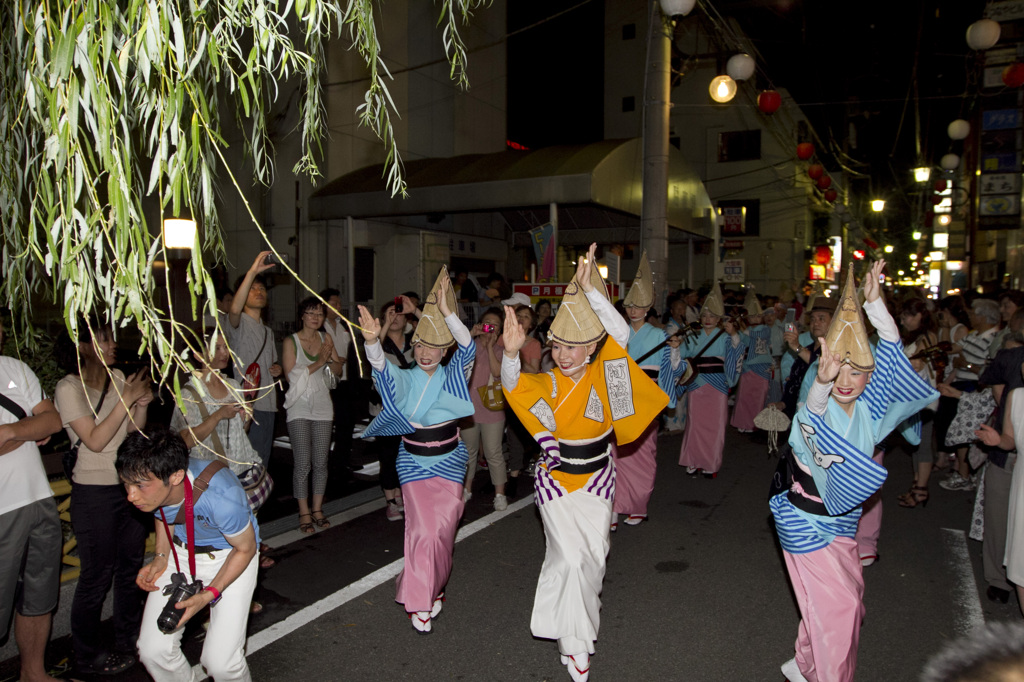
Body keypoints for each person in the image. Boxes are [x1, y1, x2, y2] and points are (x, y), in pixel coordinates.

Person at [501, 243, 668, 682]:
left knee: (591, 560)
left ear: (593, 346)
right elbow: (512, 385)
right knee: (571, 559)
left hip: (598, 479)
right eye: (558, 345)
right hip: (554, 480)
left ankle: (568, 628)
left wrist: (591, 287)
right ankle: (578, 646)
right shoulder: (547, 381)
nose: (565, 354)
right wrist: (509, 353)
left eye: (575, 346)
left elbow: (621, 333)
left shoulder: (606, 369)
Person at [770, 262, 938, 682]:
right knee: (840, 609)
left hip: (843, 524)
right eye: (839, 370)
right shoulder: (818, 402)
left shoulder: (873, 409)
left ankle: (804, 663)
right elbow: (812, 415)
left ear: (871, 373)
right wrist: (822, 382)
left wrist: (875, 303)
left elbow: (894, 347)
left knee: (846, 603)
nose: (847, 379)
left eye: (858, 371)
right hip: (804, 520)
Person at [357, 268, 474, 634]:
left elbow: (469, 345)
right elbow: (380, 369)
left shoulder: (455, 374)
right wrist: (372, 343)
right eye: (420, 345)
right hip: (413, 461)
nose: (425, 353)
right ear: (414, 346)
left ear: (444, 351)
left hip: (452, 459)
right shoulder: (404, 375)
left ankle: (432, 586)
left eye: (434, 347)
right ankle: (421, 599)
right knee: (423, 531)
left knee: (443, 533)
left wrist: (447, 312)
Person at [120, 427, 259, 682]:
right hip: (181, 554)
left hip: (231, 556)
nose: (131, 496)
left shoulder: (222, 496)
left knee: (221, 663)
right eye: (126, 484)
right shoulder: (155, 490)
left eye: (139, 485)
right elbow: (164, 512)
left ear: (176, 477)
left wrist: (209, 595)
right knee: (153, 651)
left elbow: (246, 548)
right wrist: (161, 557)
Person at [54, 319, 153, 676]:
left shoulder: (116, 379)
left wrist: (140, 402)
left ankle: (128, 640)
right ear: (83, 347)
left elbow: (131, 429)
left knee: (130, 569)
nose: (114, 345)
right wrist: (125, 396)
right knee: (97, 575)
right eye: (105, 339)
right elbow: (95, 440)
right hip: (92, 491)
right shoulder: (68, 388)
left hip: (127, 486)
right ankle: (85, 655)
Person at [0, 317, 64, 682]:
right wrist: (29, 429)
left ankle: (33, 674)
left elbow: (52, 421)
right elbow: (38, 422)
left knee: (38, 596)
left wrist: (11, 431)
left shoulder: (14, 368)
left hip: (38, 499)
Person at [612, 252, 683, 530]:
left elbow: (672, 369)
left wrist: (675, 351)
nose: (633, 309)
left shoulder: (660, 335)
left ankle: (638, 505)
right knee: (616, 455)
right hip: (620, 398)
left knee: (641, 454)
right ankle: (616, 506)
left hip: (645, 400)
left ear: (649, 306)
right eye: (630, 304)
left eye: (639, 305)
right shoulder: (618, 333)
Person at [282, 297, 344, 533]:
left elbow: (338, 370)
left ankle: (317, 508)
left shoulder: (325, 338)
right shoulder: (292, 341)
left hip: (322, 405)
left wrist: (331, 360)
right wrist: (319, 362)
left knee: (321, 461)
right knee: (302, 462)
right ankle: (303, 511)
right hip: (298, 405)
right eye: (311, 313)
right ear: (302, 316)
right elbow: (291, 377)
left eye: (319, 313)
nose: (316, 317)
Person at [677, 282, 745, 478]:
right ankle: (692, 460)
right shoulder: (693, 334)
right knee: (695, 424)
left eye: (712, 316)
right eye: (705, 315)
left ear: (719, 319)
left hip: (717, 385)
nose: (708, 319)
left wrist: (734, 335)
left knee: (715, 426)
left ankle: (710, 463)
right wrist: (676, 346)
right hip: (697, 384)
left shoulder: (724, 337)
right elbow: (682, 356)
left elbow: (736, 351)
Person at [227, 252, 283, 465]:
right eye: (252, 288)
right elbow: (234, 308)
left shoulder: (268, 331)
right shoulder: (237, 323)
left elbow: (272, 364)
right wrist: (252, 272)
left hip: (268, 404)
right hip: (247, 404)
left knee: (262, 463)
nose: (259, 292)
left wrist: (276, 369)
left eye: (261, 289)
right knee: (245, 464)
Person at [462, 307, 509, 510]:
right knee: (468, 452)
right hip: (468, 409)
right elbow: (456, 364)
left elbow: (498, 372)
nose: (490, 327)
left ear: (499, 330)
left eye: (495, 324)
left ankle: (499, 494)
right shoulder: (468, 346)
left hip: (493, 409)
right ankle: (466, 488)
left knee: (493, 452)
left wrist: (490, 347)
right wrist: (471, 335)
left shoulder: (503, 350)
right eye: (487, 323)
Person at [374, 296, 417, 521]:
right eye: (390, 313)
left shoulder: (415, 341)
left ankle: (404, 496)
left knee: (409, 455)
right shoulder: (381, 343)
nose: (396, 317)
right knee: (388, 456)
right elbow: (370, 353)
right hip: (387, 411)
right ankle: (391, 501)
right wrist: (383, 328)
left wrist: (416, 310)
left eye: (399, 313)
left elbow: (439, 338)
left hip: (413, 410)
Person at [504, 304, 543, 498]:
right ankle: (514, 475)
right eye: (518, 315)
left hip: (529, 396)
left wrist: (517, 352)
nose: (521, 318)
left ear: (531, 324)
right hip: (510, 395)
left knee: (532, 435)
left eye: (526, 316)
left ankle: (537, 461)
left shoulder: (534, 344)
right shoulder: (504, 340)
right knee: (513, 435)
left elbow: (535, 371)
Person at [321, 288, 360, 475]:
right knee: (328, 423)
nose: (338, 306)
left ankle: (342, 460)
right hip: (326, 382)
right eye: (334, 303)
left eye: (339, 303)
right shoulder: (319, 327)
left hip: (345, 381)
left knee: (347, 422)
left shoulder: (343, 324)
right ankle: (325, 463)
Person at [731, 290, 772, 433]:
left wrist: (742, 330)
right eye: (752, 316)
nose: (755, 318)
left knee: (758, 398)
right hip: (748, 366)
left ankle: (755, 425)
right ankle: (743, 423)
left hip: (762, 367)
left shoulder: (766, 329)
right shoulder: (747, 329)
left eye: (758, 316)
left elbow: (756, 336)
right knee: (744, 396)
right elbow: (743, 341)